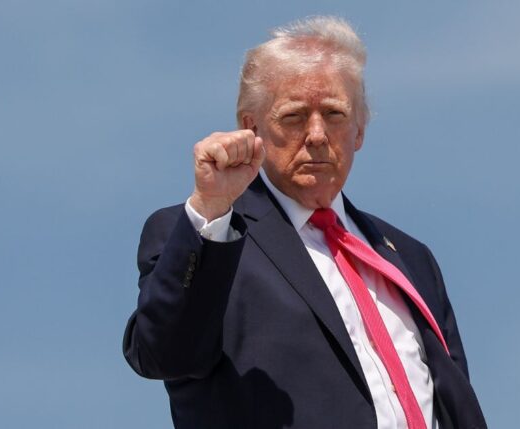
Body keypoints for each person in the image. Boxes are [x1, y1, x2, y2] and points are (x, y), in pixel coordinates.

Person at [123, 16, 486, 429]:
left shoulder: (409, 257)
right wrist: (212, 207)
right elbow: (163, 353)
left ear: (360, 130)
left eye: (334, 114)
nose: (316, 134)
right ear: (251, 128)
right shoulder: (209, 231)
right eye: (294, 117)